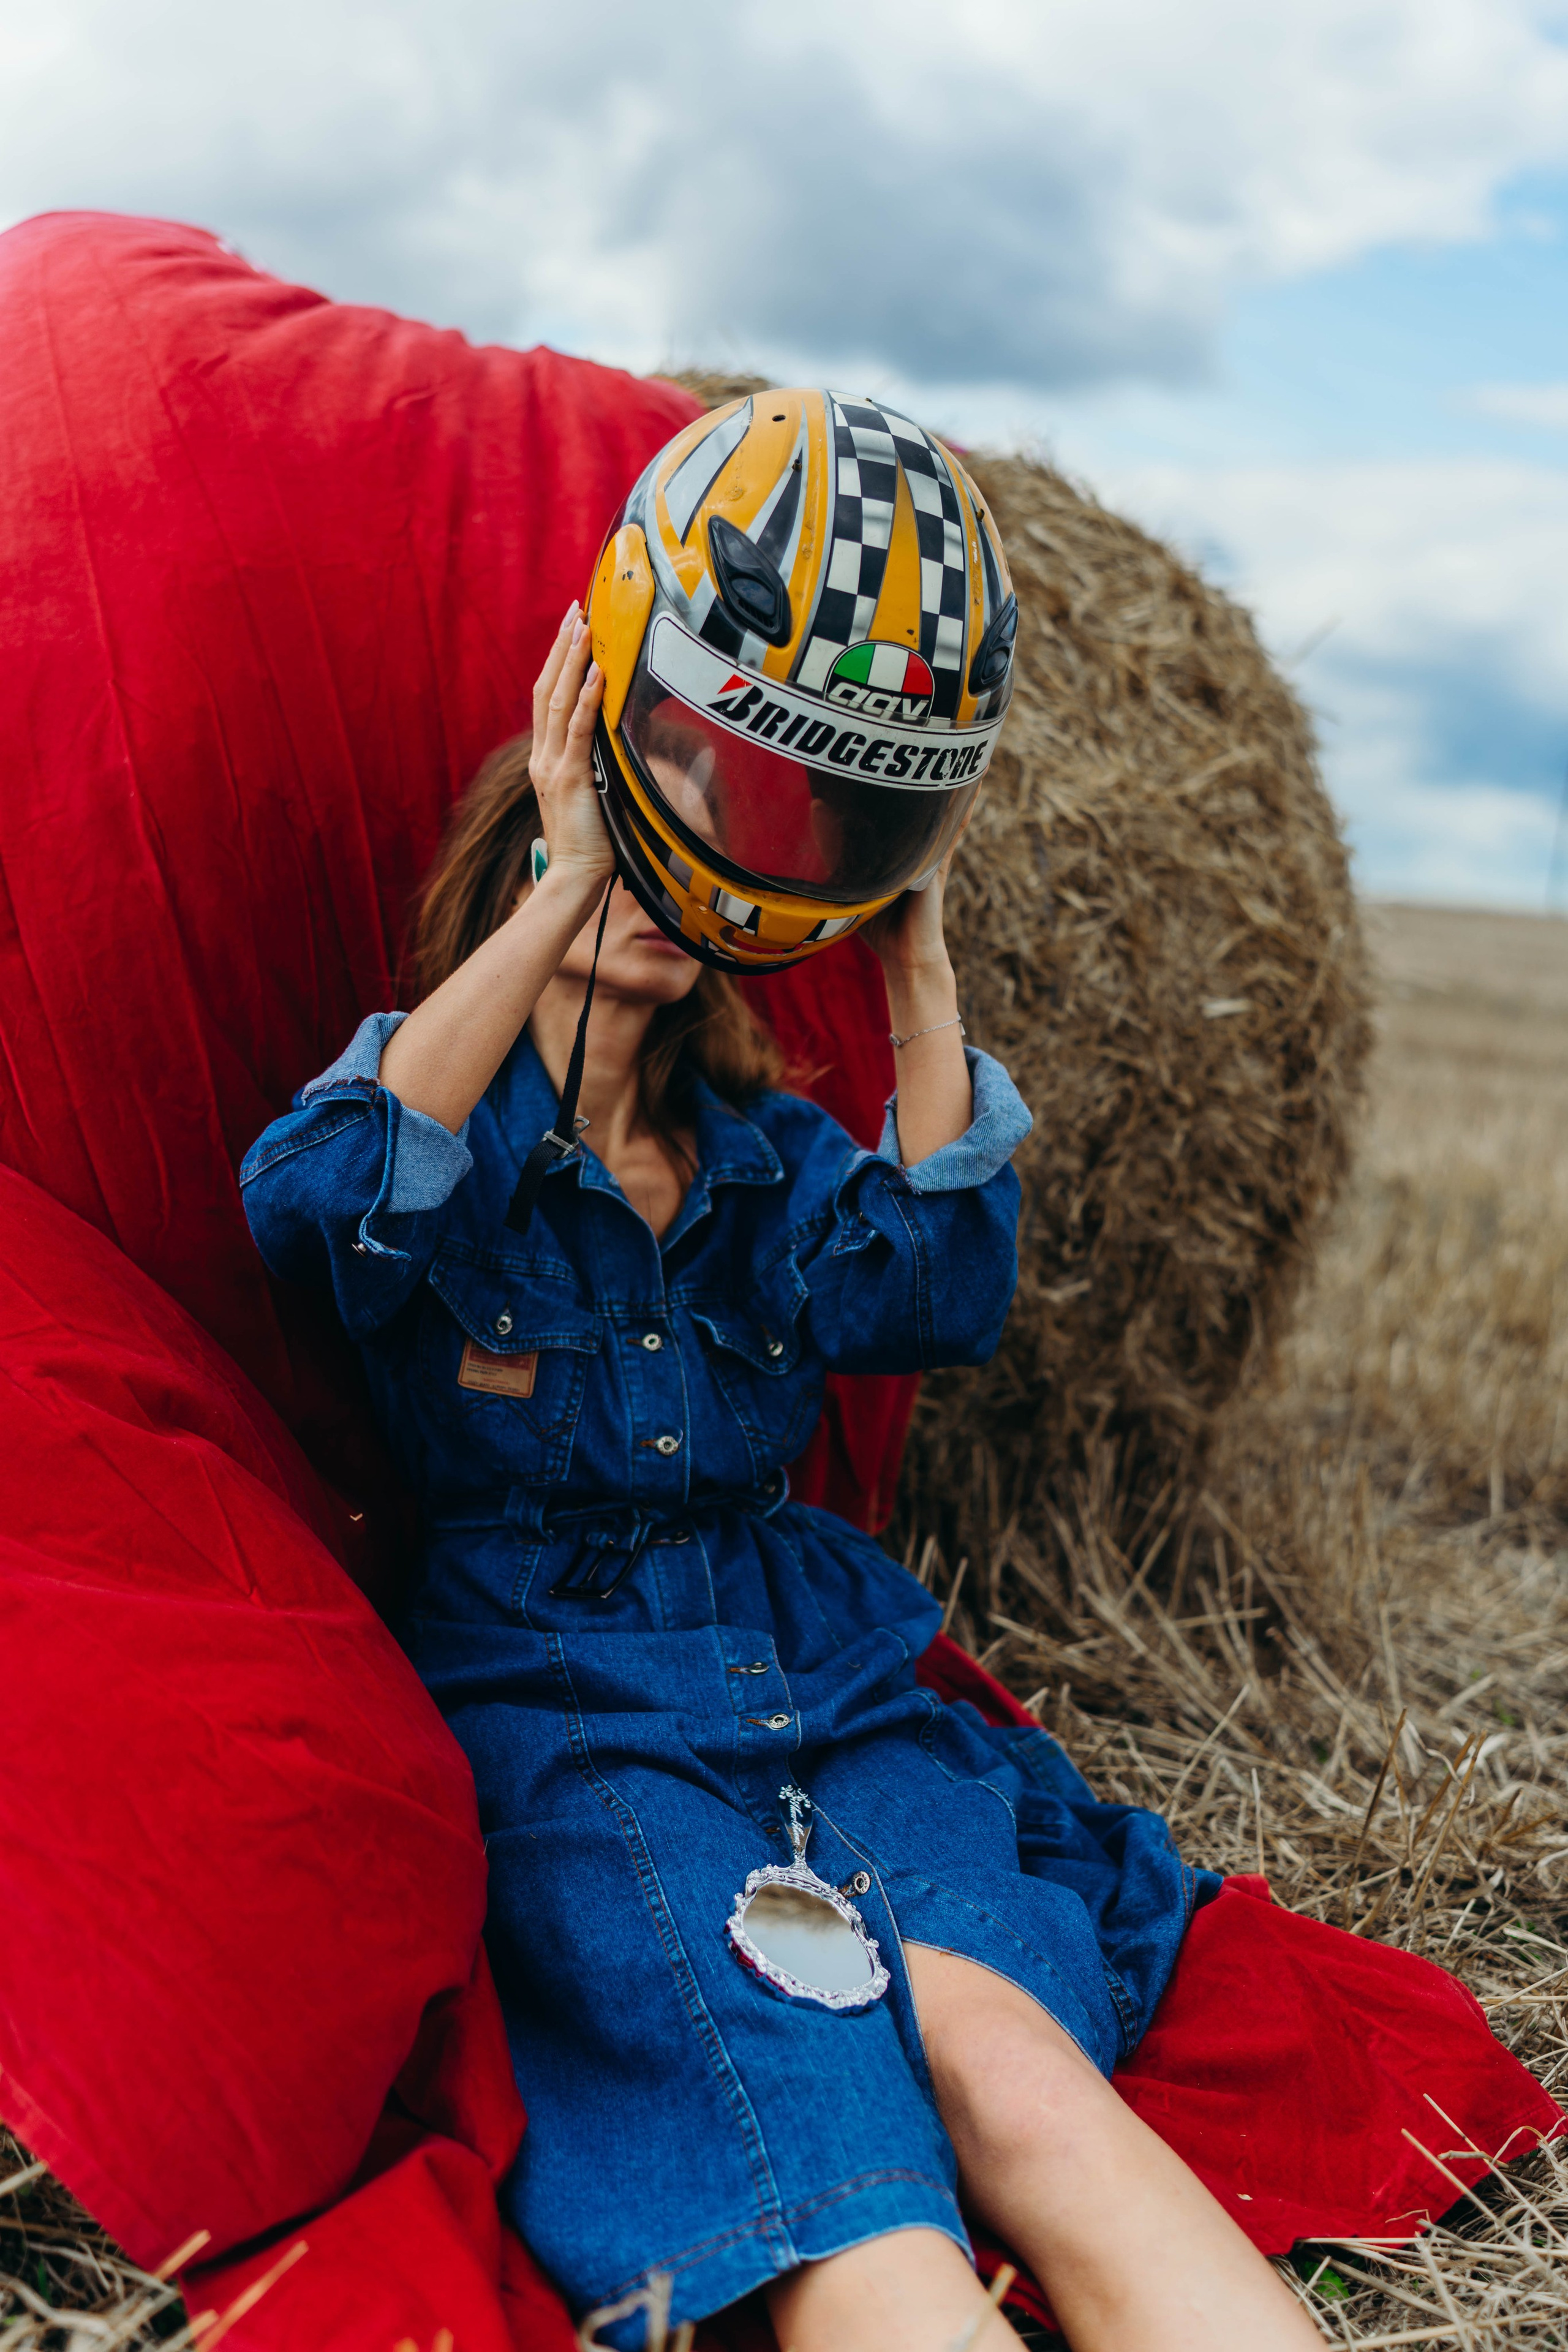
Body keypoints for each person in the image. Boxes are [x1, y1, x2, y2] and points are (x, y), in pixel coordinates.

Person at [241, 394, 1321, 2352]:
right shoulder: (446, 1150)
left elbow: (940, 1286)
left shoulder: (767, 1176)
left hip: (822, 1684)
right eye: (604, 852)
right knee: (830, 2149)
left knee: (1017, 2073)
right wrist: (572, 869)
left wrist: (910, 943)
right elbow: (320, 1207)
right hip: (579, 1721)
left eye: (683, 860)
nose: (658, 887)